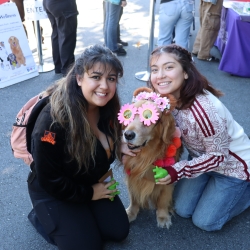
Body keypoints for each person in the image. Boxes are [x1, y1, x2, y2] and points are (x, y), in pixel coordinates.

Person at [27, 44, 130, 249]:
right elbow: (50, 179)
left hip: (90, 177)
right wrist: (91, 194)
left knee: (118, 231)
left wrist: (118, 145)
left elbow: (101, 142)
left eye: (111, 79)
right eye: (96, 77)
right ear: (79, 78)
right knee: (88, 245)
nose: (105, 86)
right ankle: (41, 215)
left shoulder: (108, 107)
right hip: (55, 189)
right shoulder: (52, 121)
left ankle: (80, 216)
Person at [146, 44, 250, 231]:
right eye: (155, 69)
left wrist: (178, 170)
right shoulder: (163, 100)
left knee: (205, 222)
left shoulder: (205, 110)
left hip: (232, 167)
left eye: (168, 67)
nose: (160, 75)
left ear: (186, 72)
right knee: (182, 209)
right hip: (201, 158)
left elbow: (218, 156)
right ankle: (211, 187)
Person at [43, 0, 78, 76]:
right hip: (63, 4)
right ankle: (68, 70)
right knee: (67, 37)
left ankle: (59, 66)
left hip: (49, 3)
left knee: (57, 33)